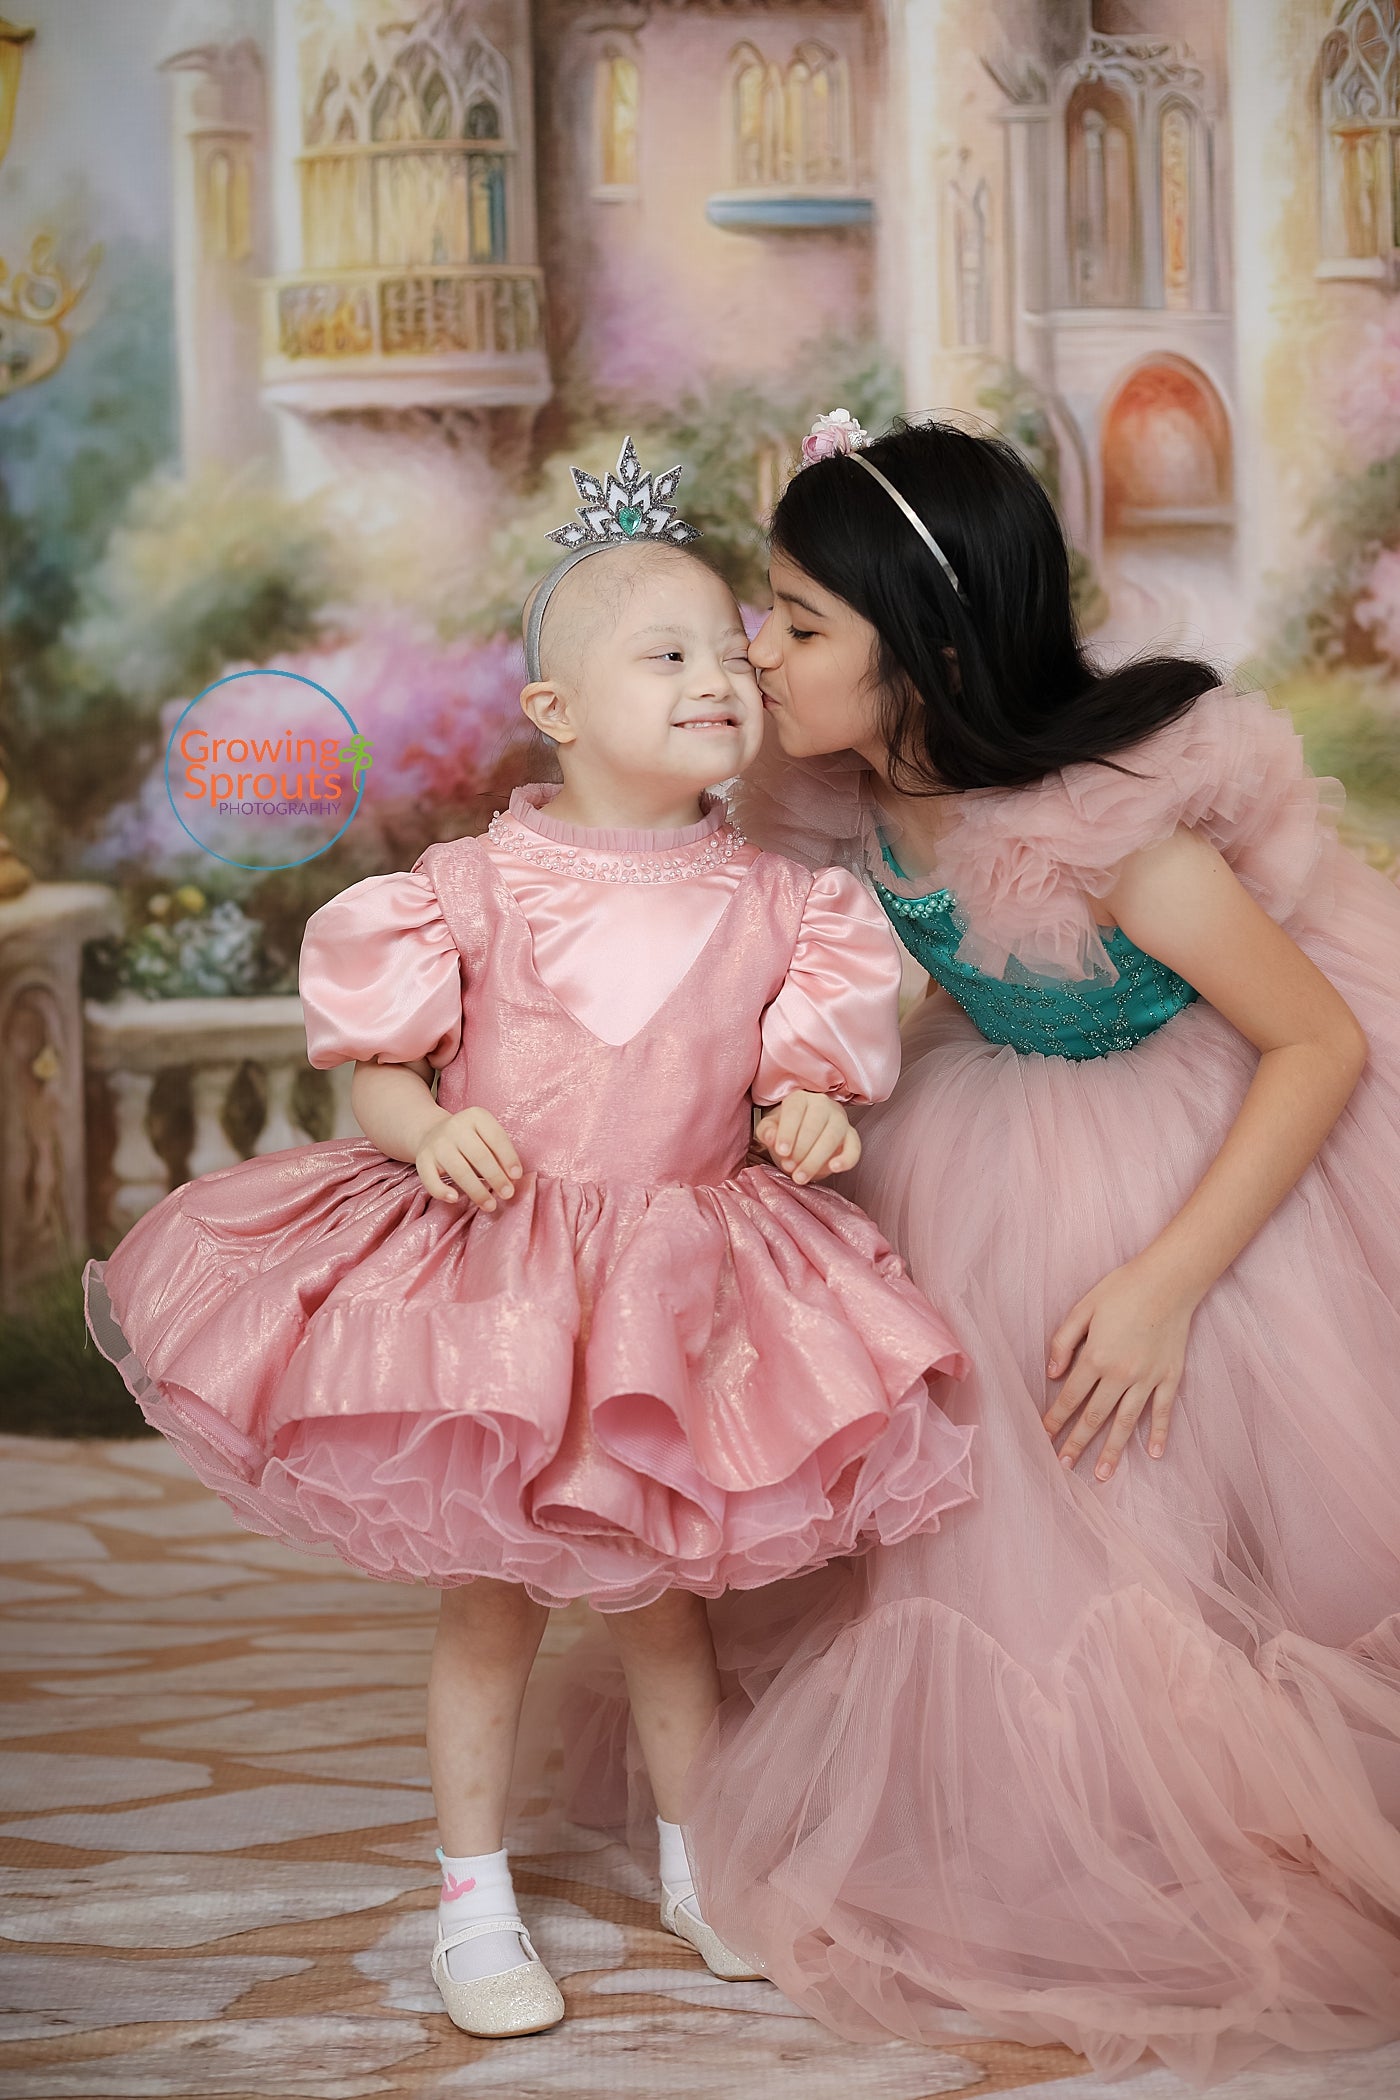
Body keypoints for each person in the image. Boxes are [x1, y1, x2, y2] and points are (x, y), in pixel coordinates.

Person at [80, 438, 973, 2043]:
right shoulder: (466, 889)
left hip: (673, 1300)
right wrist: (427, 1129)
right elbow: (372, 1070)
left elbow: (799, 1079)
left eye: (731, 648)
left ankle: (706, 1871)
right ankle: (472, 1893)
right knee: (489, 1603)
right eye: (668, 652)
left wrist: (812, 1121)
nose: (721, 676)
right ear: (555, 711)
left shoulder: (787, 905)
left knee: (663, 1609)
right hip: (496, 1292)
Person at [605, 411, 1400, 2086]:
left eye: (802, 621)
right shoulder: (840, 796)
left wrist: (1170, 1279)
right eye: (767, 608)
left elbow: (1317, 1045)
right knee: (955, 1473)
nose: (763, 646)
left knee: (1143, 1467)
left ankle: (1174, 1767)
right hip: (980, 1142)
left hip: (1188, 1158)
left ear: (930, 650)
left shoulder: (1112, 828)